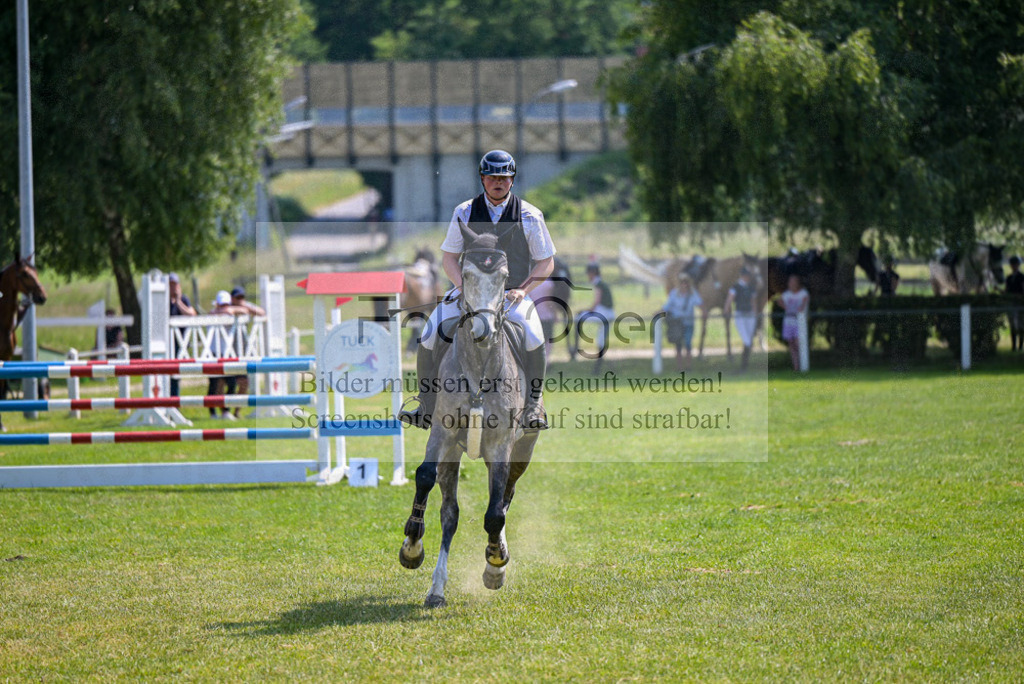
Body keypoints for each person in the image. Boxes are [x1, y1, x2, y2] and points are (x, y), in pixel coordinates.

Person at [398, 150, 555, 431]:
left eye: (504, 178)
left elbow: (546, 262)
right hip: (469, 293)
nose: (499, 182)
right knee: (430, 330)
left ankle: (533, 406)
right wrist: (461, 286)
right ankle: (424, 404)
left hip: (510, 294)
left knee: (533, 334)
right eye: (493, 177)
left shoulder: (530, 215)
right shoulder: (464, 211)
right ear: (482, 179)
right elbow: (448, 257)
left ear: (512, 180)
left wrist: (523, 289)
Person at [207, 290, 251, 420]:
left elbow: (245, 311)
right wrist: (227, 310)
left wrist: (230, 309)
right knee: (213, 385)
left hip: (226, 354)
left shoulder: (231, 313)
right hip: (213, 353)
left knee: (231, 383)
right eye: (222, 305)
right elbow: (214, 312)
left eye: (226, 305)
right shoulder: (212, 314)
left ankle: (226, 411)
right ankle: (212, 412)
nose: (224, 308)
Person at [662, 273, 703, 372]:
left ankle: (688, 366)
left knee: (688, 344)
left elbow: (700, 304)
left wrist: (704, 312)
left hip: (688, 323)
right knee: (678, 345)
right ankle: (679, 367)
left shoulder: (693, 294)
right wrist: (658, 313)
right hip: (677, 324)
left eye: (686, 282)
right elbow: (666, 307)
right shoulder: (674, 294)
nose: (684, 285)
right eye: (682, 282)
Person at [575, 263, 615, 359]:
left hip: (603, 313)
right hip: (609, 313)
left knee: (577, 318)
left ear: (592, 273)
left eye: (588, 273)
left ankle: (574, 349)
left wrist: (584, 310)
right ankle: (599, 362)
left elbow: (596, 302)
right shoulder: (601, 283)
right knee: (601, 339)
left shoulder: (598, 284)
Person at [724, 267, 758, 371]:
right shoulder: (736, 287)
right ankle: (744, 365)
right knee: (746, 339)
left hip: (750, 314)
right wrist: (726, 309)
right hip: (740, 314)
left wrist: (755, 313)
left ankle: (745, 364)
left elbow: (753, 301)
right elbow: (730, 299)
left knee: (749, 340)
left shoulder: (751, 287)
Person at [167, 273, 196, 396]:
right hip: (167, 342)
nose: (173, 287)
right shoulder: (163, 301)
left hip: (181, 342)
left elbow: (191, 314)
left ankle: (174, 403)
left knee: (175, 375)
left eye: (175, 284)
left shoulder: (183, 299)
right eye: (170, 285)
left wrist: (178, 301)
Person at [779, 274, 810, 371]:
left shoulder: (803, 293)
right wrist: (786, 307)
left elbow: (803, 306)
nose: (792, 284)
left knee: (798, 344)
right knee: (792, 345)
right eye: (790, 282)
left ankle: (803, 365)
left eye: (794, 282)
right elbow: (779, 300)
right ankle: (796, 366)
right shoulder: (786, 294)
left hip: (799, 322)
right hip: (788, 322)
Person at [1007, 255, 1023, 352]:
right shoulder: (1008, 278)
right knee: (1012, 324)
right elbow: (1007, 290)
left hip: (1020, 303)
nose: (1014, 266)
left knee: (1021, 325)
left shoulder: (1022, 277)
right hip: (1011, 303)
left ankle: (1020, 346)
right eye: (1013, 264)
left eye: (1015, 264)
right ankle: (1013, 346)